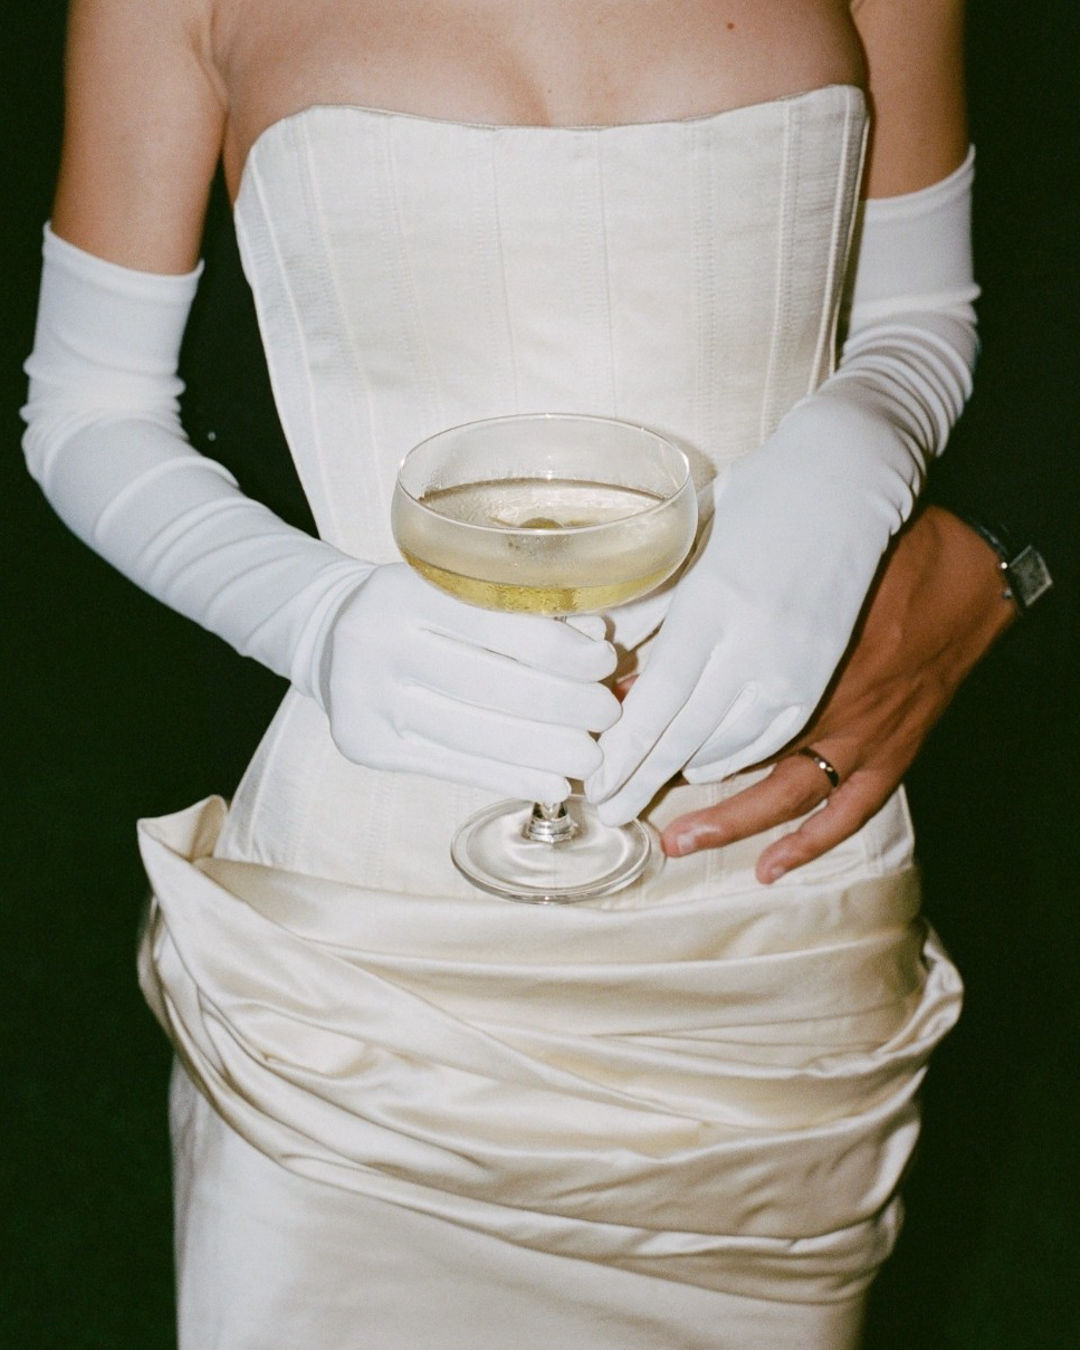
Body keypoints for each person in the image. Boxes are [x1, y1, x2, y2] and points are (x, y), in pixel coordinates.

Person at [22, 1, 979, 1345]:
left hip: (766, 924)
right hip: (373, 939)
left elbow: (921, 312)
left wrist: (858, 442)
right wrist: (313, 617)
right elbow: (89, 409)